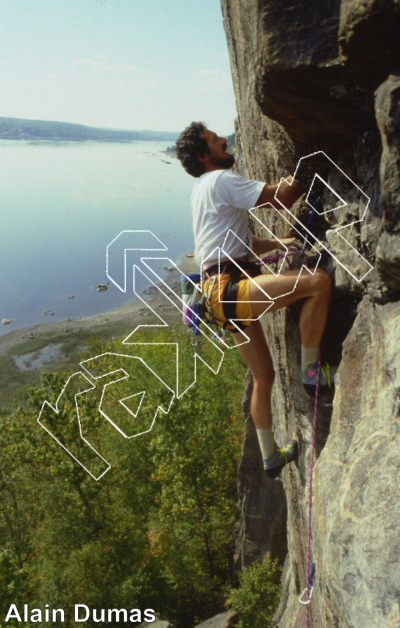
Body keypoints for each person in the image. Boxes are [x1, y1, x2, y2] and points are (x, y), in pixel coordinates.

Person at [175, 122, 334, 479]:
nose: (223, 140)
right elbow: (281, 197)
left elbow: (237, 244)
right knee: (319, 283)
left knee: (263, 376)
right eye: (215, 140)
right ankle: (312, 373)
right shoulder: (220, 180)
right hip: (230, 289)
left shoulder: (202, 190)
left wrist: (279, 243)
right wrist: (309, 163)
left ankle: (269, 457)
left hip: (218, 296)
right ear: (205, 156)